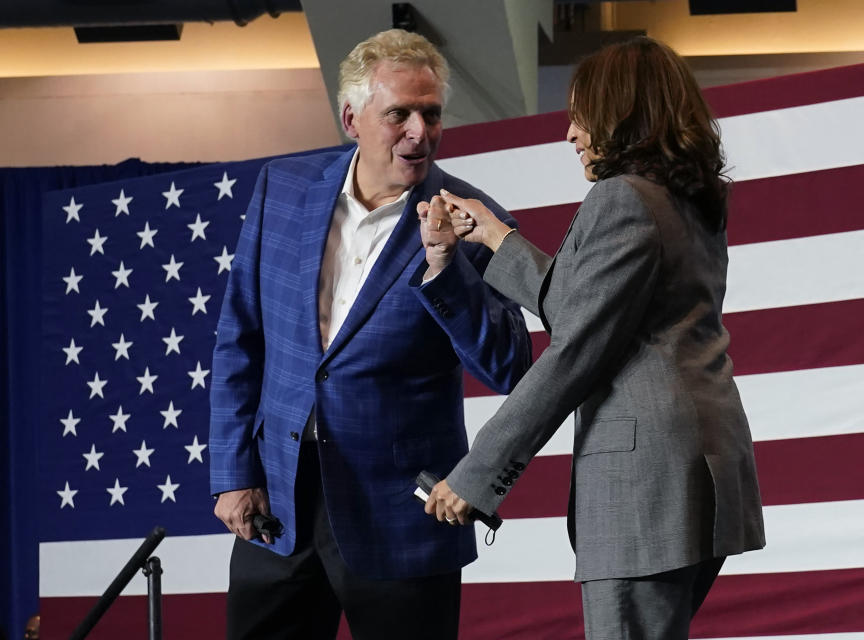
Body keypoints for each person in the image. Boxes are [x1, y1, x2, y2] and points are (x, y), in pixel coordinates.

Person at [423, 36, 766, 638]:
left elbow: (576, 350)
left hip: (646, 486)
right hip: (698, 470)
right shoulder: (686, 199)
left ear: (621, 112)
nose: (572, 133)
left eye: (583, 115)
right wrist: (499, 238)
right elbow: (595, 312)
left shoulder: (618, 199)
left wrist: (477, 475)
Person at [209, 29, 531, 639]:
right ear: (351, 118)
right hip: (279, 504)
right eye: (399, 114)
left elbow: (510, 365)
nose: (419, 132)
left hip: (401, 522)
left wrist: (446, 268)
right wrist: (233, 472)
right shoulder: (283, 189)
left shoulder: (474, 219)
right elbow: (239, 340)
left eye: (431, 115)